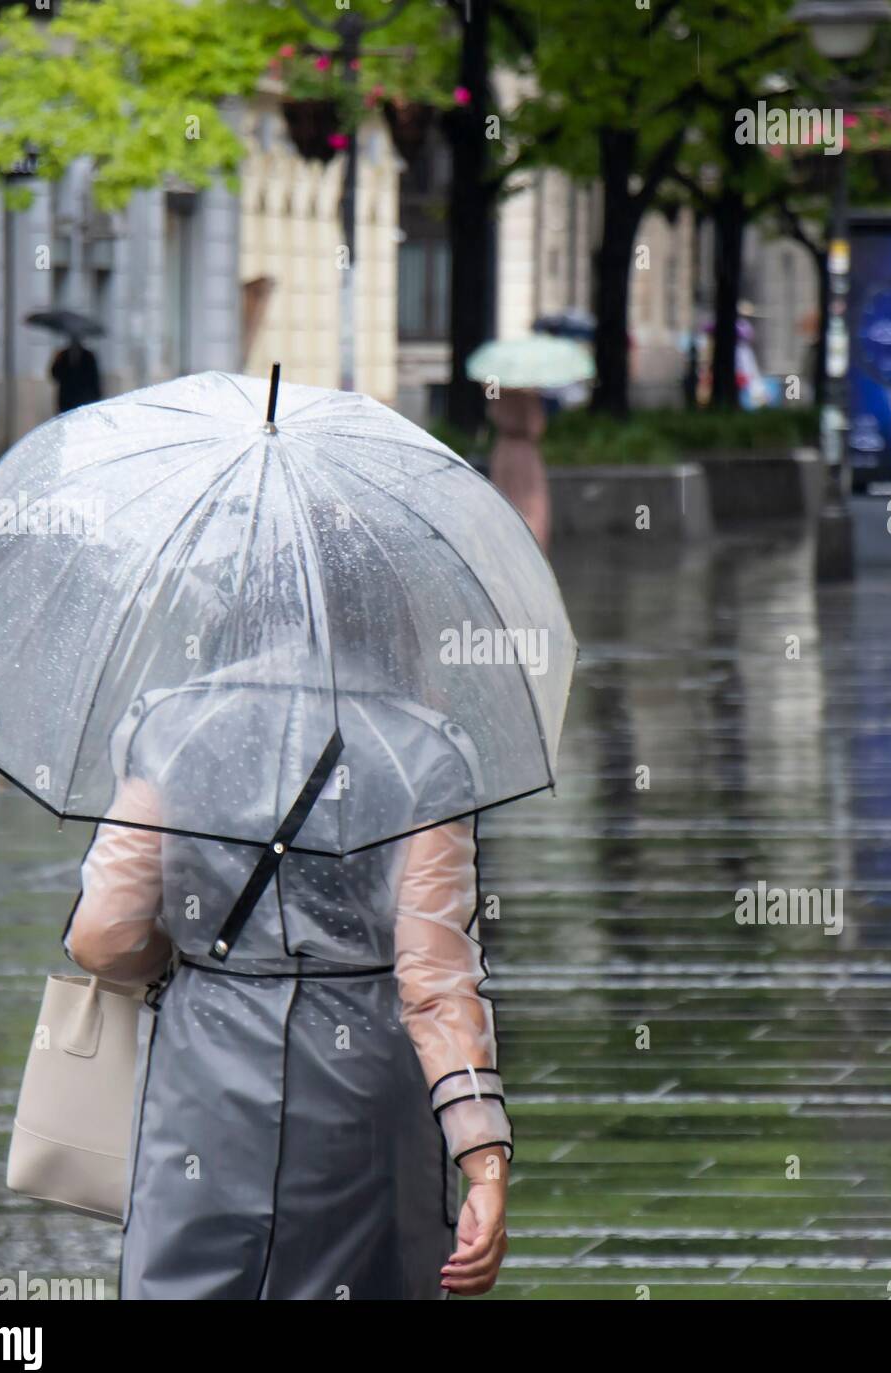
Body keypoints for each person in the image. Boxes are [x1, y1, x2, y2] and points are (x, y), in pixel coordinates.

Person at [62, 657, 513, 1300]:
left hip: (201, 1076)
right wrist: (484, 1163)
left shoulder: (168, 730)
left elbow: (101, 936)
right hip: (361, 1088)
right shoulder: (423, 752)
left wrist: (195, 960)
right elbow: (437, 982)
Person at [486, 388, 550, 551]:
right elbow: (536, 424)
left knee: (504, 503)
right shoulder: (529, 385)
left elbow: (490, 399)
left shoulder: (494, 380)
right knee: (531, 505)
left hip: (504, 449)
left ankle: (507, 550)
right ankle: (531, 553)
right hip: (525, 452)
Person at [50, 337, 102, 414]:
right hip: (66, 398)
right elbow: (55, 375)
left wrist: (96, 395)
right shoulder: (63, 355)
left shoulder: (88, 355)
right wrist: (57, 359)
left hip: (84, 397)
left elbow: (94, 378)